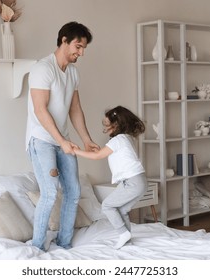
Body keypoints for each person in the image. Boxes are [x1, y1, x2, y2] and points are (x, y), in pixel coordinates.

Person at [26, 21, 99, 250]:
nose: (81, 52)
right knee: (49, 192)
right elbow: (40, 110)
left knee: (74, 192)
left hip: (62, 140)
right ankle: (37, 248)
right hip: (42, 141)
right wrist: (61, 141)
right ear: (64, 41)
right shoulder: (42, 69)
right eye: (78, 46)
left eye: (84, 48)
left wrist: (86, 139)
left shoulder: (73, 72)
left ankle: (64, 243)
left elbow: (75, 109)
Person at [73, 106, 148, 249]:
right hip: (139, 181)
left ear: (116, 125)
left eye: (107, 125)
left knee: (107, 206)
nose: (105, 128)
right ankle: (127, 239)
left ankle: (123, 233)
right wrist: (99, 150)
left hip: (132, 182)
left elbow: (96, 157)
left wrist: (76, 151)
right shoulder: (126, 138)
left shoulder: (117, 140)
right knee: (121, 210)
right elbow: (105, 153)